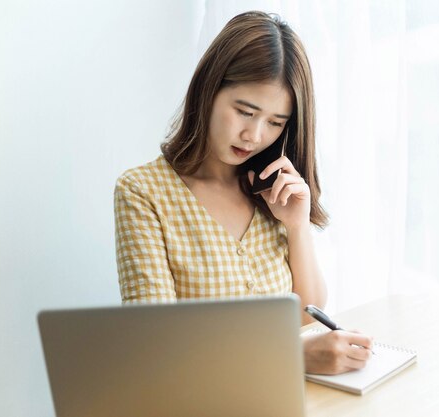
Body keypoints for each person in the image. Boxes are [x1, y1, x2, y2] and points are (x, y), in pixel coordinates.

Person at [113, 11, 372, 375]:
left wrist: (297, 227)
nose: (254, 135)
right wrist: (291, 356)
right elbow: (157, 348)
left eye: (275, 123)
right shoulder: (143, 194)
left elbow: (307, 318)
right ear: (209, 89)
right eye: (244, 111)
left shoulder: (272, 192)